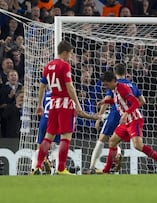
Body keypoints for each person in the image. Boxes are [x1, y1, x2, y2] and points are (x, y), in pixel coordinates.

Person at [34, 40, 99, 175]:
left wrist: (40, 104)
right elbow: (70, 87)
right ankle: (61, 168)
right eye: (70, 54)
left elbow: (42, 86)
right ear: (65, 52)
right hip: (64, 104)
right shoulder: (65, 66)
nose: (71, 56)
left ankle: (37, 166)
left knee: (48, 137)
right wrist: (78, 105)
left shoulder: (48, 66)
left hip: (52, 104)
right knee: (66, 137)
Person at [99, 71, 157, 174]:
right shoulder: (115, 89)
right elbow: (118, 101)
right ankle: (106, 171)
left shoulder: (123, 88)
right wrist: (105, 101)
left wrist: (125, 114)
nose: (105, 86)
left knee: (138, 146)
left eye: (106, 84)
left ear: (113, 81)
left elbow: (136, 102)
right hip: (125, 123)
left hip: (134, 120)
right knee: (112, 141)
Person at [88, 64, 146, 173]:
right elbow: (142, 101)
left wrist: (98, 117)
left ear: (115, 74)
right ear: (125, 72)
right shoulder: (132, 85)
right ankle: (118, 155)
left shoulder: (115, 85)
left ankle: (92, 167)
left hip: (115, 115)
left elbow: (108, 99)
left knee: (101, 139)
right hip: (129, 118)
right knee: (115, 141)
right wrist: (130, 110)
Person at [31, 90, 60, 174]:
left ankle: (34, 169)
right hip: (55, 120)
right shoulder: (62, 93)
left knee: (39, 148)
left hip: (44, 120)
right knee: (59, 147)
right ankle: (51, 161)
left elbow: (43, 106)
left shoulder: (46, 93)